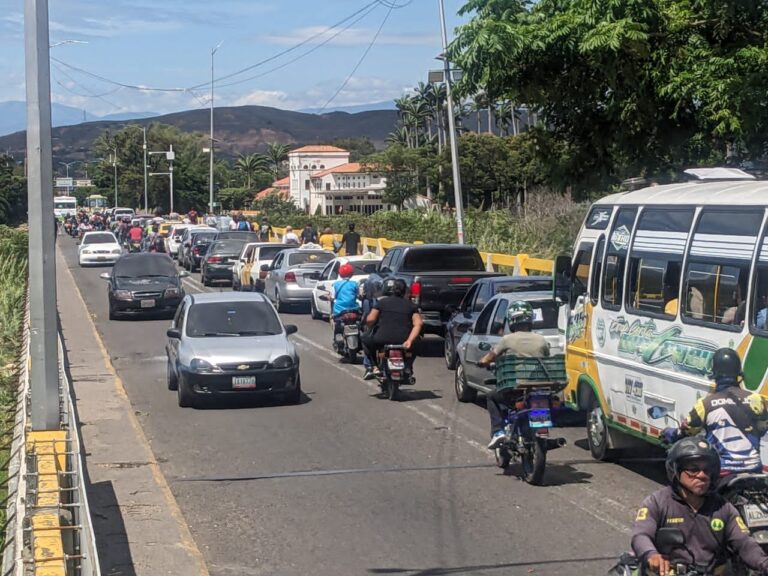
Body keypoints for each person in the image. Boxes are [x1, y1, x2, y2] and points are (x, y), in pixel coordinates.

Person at [632, 437, 768, 575]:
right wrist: (651, 555)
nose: (702, 475)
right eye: (693, 469)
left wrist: (763, 563)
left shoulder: (723, 508)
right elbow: (641, 535)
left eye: (706, 470)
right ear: (675, 470)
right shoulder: (657, 502)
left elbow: (744, 542)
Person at [663, 347, 768, 476]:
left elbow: (686, 431)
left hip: (722, 471)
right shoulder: (756, 399)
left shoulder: (705, 404)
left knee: (694, 492)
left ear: (715, 374)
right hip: (754, 469)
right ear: (738, 373)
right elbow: (762, 428)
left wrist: (670, 433)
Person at [477, 301, 550, 449]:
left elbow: (491, 356)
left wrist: (482, 362)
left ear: (512, 321)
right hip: (539, 388)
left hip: (515, 389)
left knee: (491, 396)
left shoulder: (507, 339)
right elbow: (546, 357)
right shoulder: (541, 339)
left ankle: (498, 431)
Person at [361, 278, 423, 381]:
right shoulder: (411, 306)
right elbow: (418, 323)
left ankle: (375, 367)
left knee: (365, 339)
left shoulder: (382, 303)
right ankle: (407, 366)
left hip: (381, 339)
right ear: (405, 291)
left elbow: (370, 319)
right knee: (418, 343)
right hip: (403, 340)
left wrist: (370, 325)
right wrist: (410, 340)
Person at [330, 263, 360, 345]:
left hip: (339, 310)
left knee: (335, 322)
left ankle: (337, 336)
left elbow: (332, 297)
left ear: (340, 274)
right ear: (352, 274)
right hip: (354, 309)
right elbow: (358, 295)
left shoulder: (335, 284)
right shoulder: (355, 284)